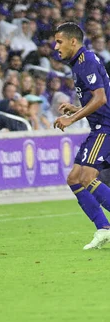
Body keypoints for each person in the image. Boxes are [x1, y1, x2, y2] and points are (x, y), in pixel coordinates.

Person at [53, 22, 110, 250]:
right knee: (74, 179)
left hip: (105, 128)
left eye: (59, 41)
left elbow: (101, 99)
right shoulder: (81, 62)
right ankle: (103, 228)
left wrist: (71, 119)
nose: (55, 46)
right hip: (101, 126)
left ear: (72, 41)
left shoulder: (85, 63)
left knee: (87, 177)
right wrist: (77, 109)